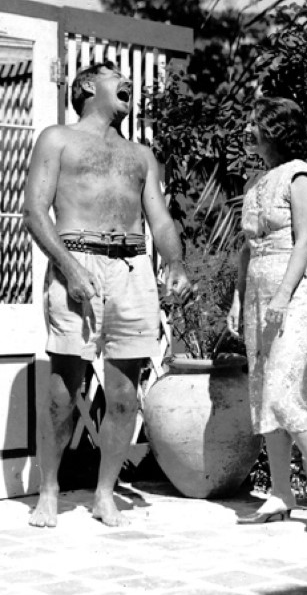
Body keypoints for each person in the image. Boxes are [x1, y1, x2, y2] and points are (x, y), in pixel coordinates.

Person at [21, 61, 192, 528]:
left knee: (123, 395)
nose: (127, 84)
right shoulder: (57, 139)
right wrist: (69, 268)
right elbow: (35, 213)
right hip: (77, 258)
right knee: (63, 388)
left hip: (133, 268)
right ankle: (50, 489)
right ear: (87, 87)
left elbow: (158, 218)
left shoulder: (141, 155)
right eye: (116, 76)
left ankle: (103, 493)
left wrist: (175, 264)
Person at [227, 96, 307, 531]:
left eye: (255, 121)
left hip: (291, 294)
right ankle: (280, 491)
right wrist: (239, 298)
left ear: (275, 128)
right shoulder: (258, 182)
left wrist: (281, 297)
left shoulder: (300, 177)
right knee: (262, 389)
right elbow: (246, 248)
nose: (248, 127)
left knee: (281, 387)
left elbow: (304, 242)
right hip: (258, 292)